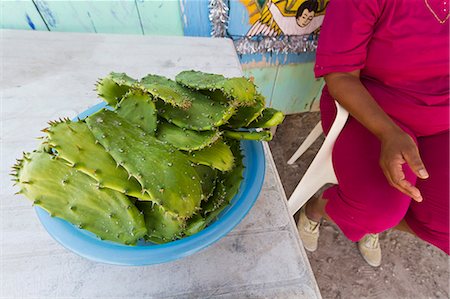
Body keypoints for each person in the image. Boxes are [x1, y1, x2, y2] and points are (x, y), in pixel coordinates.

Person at [297, 0, 449, 267]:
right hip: (368, 110)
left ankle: (378, 216)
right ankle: (318, 208)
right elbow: (341, 75)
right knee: (376, 210)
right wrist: (387, 132)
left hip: (441, 123)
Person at [247, 0, 325, 37]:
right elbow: (277, 15)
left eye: (309, 18)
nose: (305, 21)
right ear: (298, 16)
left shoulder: (316, 22)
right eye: (304, 17)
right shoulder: (287, 24)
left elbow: (321, 18)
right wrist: (270, 5)